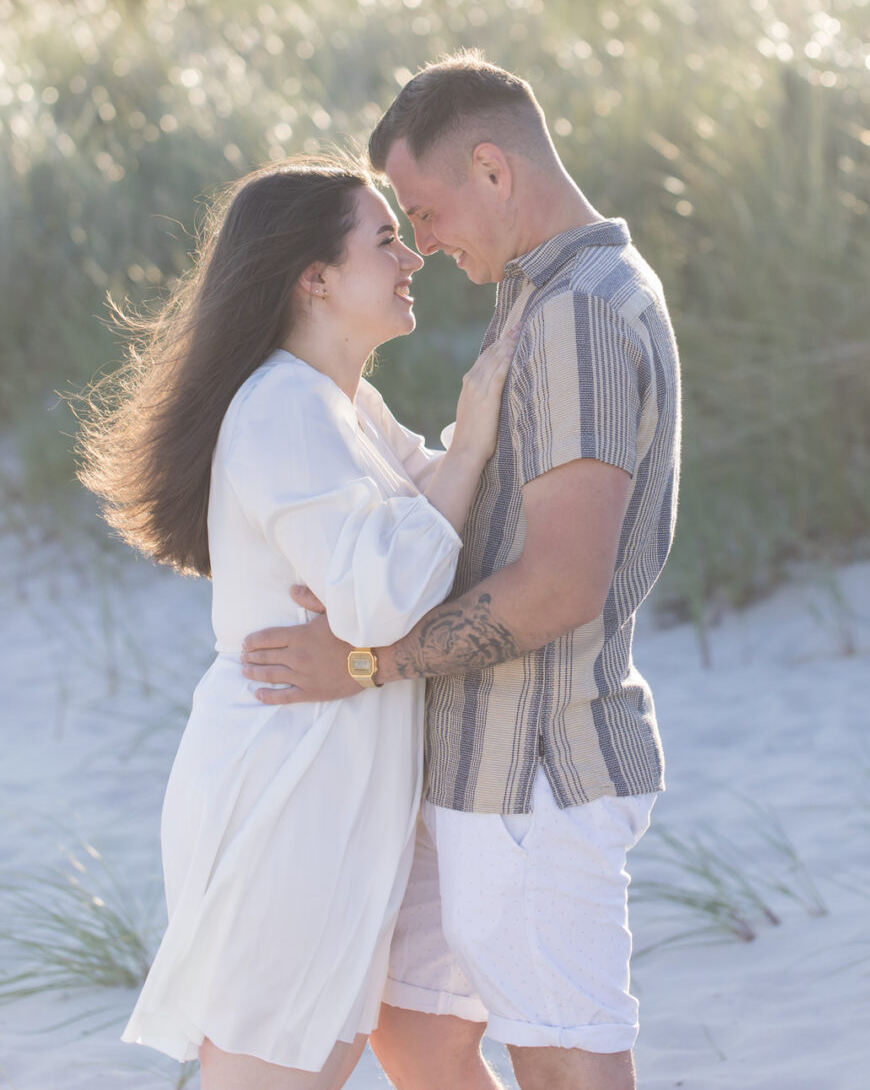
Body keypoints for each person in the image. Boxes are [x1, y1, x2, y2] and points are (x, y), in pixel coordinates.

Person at [241, 55, 682, 1090]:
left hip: (538, 766)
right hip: (473, 762)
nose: (423, 246)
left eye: (424, 213)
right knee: (411, 1023)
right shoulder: (545, 294)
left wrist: (361, 662)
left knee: (566, 1060)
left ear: (493, 168)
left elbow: (559, 586)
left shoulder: (579, 312)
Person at [77, 157, 517, 1089]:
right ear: (314, 277)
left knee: (305, 1051)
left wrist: (434, 503)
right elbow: (392, 596)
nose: (413, 257)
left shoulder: (341, 403)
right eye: (385, 238)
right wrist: (471, 444)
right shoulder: (281, 407)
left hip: (332, 770)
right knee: (275, 1059)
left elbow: (423, 536)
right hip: (288, 777)